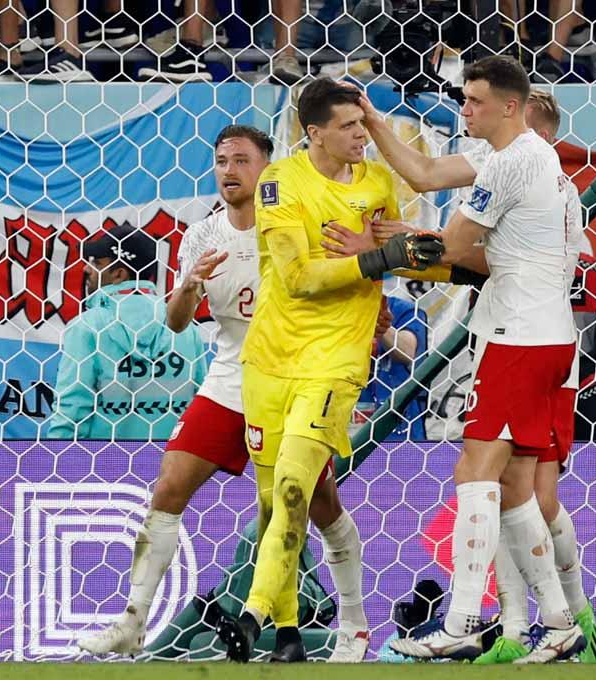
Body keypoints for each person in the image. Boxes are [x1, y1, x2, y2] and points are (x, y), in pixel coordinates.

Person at [75, 125, 381, 662]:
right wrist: (188, 288)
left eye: (241, 159)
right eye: (220, 161)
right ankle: (133, 620)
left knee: (321, 507)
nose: (228, 170)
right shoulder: (202, 236)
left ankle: (354, 623)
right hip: (229, 381)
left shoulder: (295, 224)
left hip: (294, 382)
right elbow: (175, 324)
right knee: (169, 486)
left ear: (269, 168)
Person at [323, 85, 596, 664]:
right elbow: (425, 174)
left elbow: (453, 251)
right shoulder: (530, 159)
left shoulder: (509, 164)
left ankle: (462, 621)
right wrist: (375, 120)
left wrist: (373, 255)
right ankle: (558, 622)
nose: (463, 111)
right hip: (542, 333)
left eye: (474, 101)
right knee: (515, 487)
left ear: (511, 107)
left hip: (518, 336)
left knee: (474, 471)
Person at [212, 79, 444, 664]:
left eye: (364, 124)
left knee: (293, 486)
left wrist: (399, 258)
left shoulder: (378, 182)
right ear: (313, 133)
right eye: (349, 126)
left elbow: (402, 256)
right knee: (277, 502)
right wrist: (374, 258)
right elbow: (298, 278)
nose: (362, 135)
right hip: (269, 361)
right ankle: (287, 634)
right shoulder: (279, 183)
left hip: (337, 362)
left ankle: (251, 613)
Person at [48, 224, 206, 440]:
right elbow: (202, 406)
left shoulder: (87, 327)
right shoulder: (187, 328)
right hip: (174, 466)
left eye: (96, 263)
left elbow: (71, 410)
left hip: (104, 465)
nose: (86, 269)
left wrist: (57, 464)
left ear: (119, 274)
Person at [355, 295, 429, 440]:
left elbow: (407, 351)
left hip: (397, 428)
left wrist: (374, 318)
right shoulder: (329, 311)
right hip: (345, 422)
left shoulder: (403, 309)